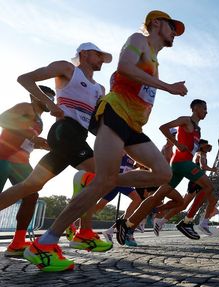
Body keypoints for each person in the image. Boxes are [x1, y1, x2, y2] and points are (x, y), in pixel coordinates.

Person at [25, 10, 187, 272]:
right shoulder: (139, 39)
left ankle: (106, 179)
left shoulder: (155, 60)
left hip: (134, 125)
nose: (174, 34)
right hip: (114, 114)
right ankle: (45, 243)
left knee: (162, 173)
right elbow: (123, 68)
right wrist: (168, 87)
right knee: (104, 180)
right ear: (156, 23)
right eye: (172, 27)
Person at [0, 42, 112, 271]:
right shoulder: (67, 68)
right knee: (102, 175)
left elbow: (94, 124)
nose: (101, 59)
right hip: (64, 132)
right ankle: (81, 232)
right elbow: (24, 78)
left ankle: (78, 231)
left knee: (30, 186)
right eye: (98, 55)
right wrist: (51, 104)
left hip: (75, 136)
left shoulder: (100, 89)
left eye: (103, 57)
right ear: (84, 53)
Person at [115, 99, 214, 243]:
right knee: (208, 186)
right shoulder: (185, 120)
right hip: (182, 163)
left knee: (156, 197)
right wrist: (177, 144)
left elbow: (191, 146)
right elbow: (163, 127)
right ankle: (187, 222)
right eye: (204, 108)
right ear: (196, 108)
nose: (206, 112)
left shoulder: (198, 129)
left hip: (179, 165)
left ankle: (128, 224)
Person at [0, 85, 55, 257]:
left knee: (32, 195)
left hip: (22, 162)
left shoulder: (41, 120)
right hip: (3, 155)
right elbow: (3, 119)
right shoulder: (26, 106)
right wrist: (31, 137)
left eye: (52, 98)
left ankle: (17, 243)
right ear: (35, 96)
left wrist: (39, 145)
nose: (50, 101)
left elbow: (26, 140)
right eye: (46, 96)